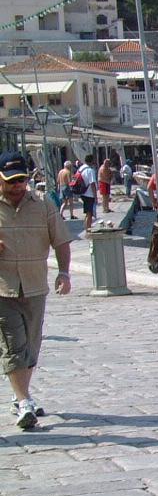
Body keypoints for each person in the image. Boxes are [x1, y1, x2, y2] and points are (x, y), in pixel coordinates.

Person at [0, 151, 72, 430]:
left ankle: (20, 395)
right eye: (11, 181)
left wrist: (64, 272)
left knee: (31, 345)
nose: (17, 186)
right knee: (13, 345)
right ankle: (24, 401)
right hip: (3, 289)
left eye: (21, 180)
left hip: (34, 286)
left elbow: (61, 241)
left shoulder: (43, 205)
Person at [78, 156, 98, 230]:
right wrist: (95, 196)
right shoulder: (90, 170)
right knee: (89, 213)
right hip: (89, 194)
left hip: (83, 193)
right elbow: (92, 184)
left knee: (87, 213)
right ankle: (88, 229)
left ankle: (87, 227)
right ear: (91, 161)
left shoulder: (81, 168)